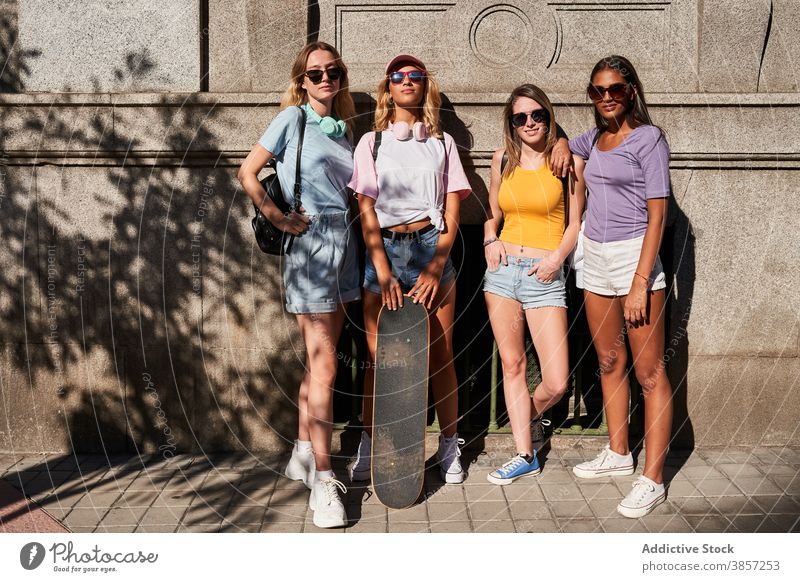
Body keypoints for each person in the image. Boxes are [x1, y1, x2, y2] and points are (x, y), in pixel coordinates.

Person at [237, 41, 359, 528]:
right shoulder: (293, 119)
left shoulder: (346, 130)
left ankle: (302, 451)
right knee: (326, 358)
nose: (325, 78)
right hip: (311, 245)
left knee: (319, 358)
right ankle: (325, 481)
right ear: (302, 80)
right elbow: (247, 171)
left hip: (345, 243)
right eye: (316, 73)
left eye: (333, 71)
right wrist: (277, 216)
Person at [347, 54, 472, 484]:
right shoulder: (372, 143)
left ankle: (449, 446)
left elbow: (454, 206)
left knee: (440, 357)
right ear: (387, 88)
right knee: (379, 361)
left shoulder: (443, 143)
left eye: (414, 76)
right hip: (384, 248)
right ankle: (371, 446)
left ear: (424, 86)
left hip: (428, 246)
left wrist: (437, 264)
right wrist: (381, 266)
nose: (406, 82)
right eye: (397, 77)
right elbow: (364, 207)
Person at [569, 55, 673, 518]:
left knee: (650, 374)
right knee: (609, 361)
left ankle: (652, 479)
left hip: (636, 257)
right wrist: (563, 149)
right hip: (596, 255)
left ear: (631, 90)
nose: (606, 97)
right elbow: (569, 144)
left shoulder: (648, 139)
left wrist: (640, 282)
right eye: (597, 90)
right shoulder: (595, 137)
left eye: (614, 89)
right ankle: (618, 453)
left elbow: (659, 213)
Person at [482, 84, 585, 484]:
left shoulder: (567, 163)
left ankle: (526, 413)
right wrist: (490, 238)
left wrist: (556, 260)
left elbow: (575, 223)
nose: (530, 123)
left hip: (544, 274)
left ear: (549, 116)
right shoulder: (501, 160)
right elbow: (493, 214)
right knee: (513, 363)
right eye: (520, 117)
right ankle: (525, 453)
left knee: (557, 381)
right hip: (503, 272)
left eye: (537, 115)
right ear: (511, 122)